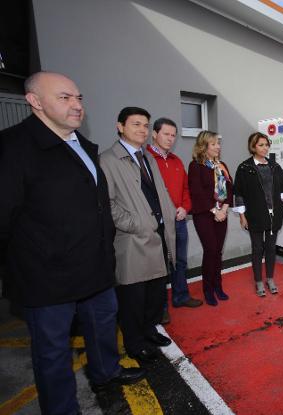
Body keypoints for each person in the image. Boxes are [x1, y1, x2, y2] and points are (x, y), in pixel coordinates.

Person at [0, 72, 144, 414]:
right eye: (64, 98)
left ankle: (106, 377)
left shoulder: (83, 146)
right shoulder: (13, 148)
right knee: (53, 354)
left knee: (103, 330)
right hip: (45, 278)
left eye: (78, 98)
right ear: (34, 101)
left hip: (94, 268)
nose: (76, 105)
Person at [99, 107, 177, 363]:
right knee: (133, 298)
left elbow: (159, 193)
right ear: (120, 126)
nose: (142, 130)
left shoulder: (147, 158)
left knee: (154, 294)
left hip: (158, 235)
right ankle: (135, 343)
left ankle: (149, 331)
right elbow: (106, 205)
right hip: (132, 240)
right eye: (136, 124)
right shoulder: (108, 160)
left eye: (145, 125)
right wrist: (136, 224)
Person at [147, 117, 203, 322]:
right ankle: (160, 307)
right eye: (166, 134)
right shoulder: (145, 159)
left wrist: (185, 207)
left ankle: (181, 296)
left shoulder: (177, 161)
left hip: (179, 220)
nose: (170, 139)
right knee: (159, 265)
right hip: (158, 223)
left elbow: (186, 190)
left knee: (180, 261)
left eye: (173, 135)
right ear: (154, 134)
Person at [233, 132, 283, 296]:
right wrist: (242, 216)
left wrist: (282, 198)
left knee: (271, 248)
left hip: (274, 216)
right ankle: (259, 281)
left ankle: (270, 278)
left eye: (266, 145)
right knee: (257, 248)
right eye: (261, 145)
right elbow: (238, 193)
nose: (265, 148)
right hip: (254, 216)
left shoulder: (274, 166)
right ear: (253, 147)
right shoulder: (244, 168)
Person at [188, 131, 233, 306]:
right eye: (213, 144)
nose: (218, 147)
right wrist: (216, 211)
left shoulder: (222, 165)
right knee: (211, 250)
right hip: (205, 214)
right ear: (204, 146)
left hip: (222, 213)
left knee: (218, 251)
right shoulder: (196, 166)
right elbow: (197, 193)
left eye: (218, 144)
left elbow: (230, 189)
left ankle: (217, 286)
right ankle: (207, 289)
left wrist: (225, 209)